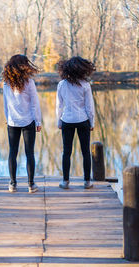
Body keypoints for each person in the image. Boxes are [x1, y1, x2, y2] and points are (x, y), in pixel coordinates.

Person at [3, 54, 42, 193]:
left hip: (12, 122)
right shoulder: (28, 82)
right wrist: (38, 120)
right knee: (29, 153)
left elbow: (5, 104)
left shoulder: (6, 83)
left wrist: (8, 119)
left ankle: (13, 184)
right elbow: (34, 103)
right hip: (28, 121)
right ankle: (31, 185)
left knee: (12, 152)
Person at [56, 56, 96, 189]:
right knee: (85, 152)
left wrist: (59, 120)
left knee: (66, 152)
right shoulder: (85, 85)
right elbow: (89, 107)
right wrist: (92, 122)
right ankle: (87, 182)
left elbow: (59, 105)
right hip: (83, 120)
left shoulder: (62, 84)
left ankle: (65, 181)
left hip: (67, 120)